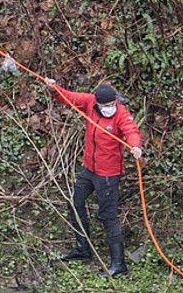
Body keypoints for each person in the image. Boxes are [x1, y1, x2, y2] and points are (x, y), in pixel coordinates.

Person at [43, 76, 142, 277]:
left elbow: (132, 130)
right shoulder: (89, 102)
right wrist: (54, 89)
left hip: (108, 174)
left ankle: (118, 265)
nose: (109, 107)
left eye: (111, 104)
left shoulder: (121, 113)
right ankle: (83, 249)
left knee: (108, 217)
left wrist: (135, 146)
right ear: (97, 103)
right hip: (89, 169)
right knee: (74, 201)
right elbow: (69, 97)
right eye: (105, 105)